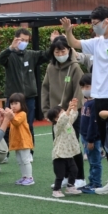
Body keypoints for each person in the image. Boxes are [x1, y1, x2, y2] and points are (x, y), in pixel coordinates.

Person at [63, 7, 108, 178]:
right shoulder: (96, 42)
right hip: (99, 98)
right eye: (92, 24)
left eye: (95, 23)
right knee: (106, 142)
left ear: (107, 21)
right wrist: (68, 32)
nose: (93, 27)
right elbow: (74, 44)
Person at [41, 35, 85, 185]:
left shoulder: (75, 67)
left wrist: (72, 110)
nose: (60, 54)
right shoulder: (50, 67)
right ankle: (65, 176)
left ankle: (79, 178)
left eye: (63, 51)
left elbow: (79, 90)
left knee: (73, 144)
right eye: (56, 52)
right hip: (56, 116)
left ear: (69, 50)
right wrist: (46, 110)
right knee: (59, 146)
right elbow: (45, 88)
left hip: (71, 115)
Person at [0, 28, 53, 142]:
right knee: (7, 124)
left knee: (29, 125)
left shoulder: (31, 55)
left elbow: (46, 55)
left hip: (29, 97)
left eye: (27, 40)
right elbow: (0, 59)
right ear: (15, 39)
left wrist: (53, 43)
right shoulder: (9, 55)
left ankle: (30, 151)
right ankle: (4, 152)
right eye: (22, 39)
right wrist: (10, 48)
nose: (24, 42)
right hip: (13, 97)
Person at [48, 100, 83, 198]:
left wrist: (74, 107)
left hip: (68, 154)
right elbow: (63, 119)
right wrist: (68, 109)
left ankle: (70, 187)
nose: (64, 113)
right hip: (60, 155)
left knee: (74, 170)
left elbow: (72, 115)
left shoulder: (67, 122)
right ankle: (56, 190)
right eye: (61, 112)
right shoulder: (57, 126)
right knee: (60, 174)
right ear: (56, 118)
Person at [79, 75, 103, 194]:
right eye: (83, 87)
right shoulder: (87, 101)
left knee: (95, 161)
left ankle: (96, 183)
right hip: (85, 136)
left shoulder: (94, 103)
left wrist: (91, 140)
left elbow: (94, 123)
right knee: (91, 160)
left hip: (91, 138)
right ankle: (92, 181)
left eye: (88, 86)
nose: (85, 89)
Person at [8, 94, 35, 186]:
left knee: (25, 160)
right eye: (11, 103)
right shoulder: (14, 115)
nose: (13, 106)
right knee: (20, 161)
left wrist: (9, 115)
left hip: (24, 142)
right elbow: (8, 124)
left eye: (16, 103)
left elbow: (16, 122)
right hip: (17, 143)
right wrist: (4, 116)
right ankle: (24, 177)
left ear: (22, 104)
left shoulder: (22, 114)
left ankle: (30, 178)